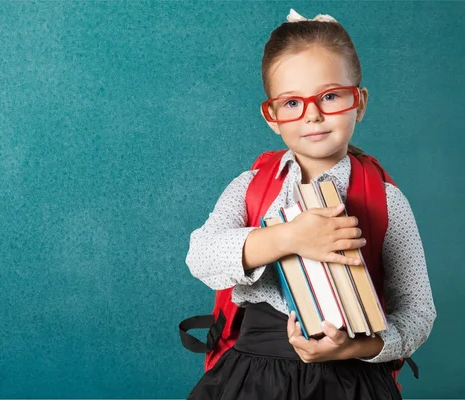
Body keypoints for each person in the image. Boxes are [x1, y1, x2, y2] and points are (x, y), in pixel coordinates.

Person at [185, 8, 436, 400]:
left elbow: (418, 311)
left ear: (360, 102)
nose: (313, 115)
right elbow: (200, 256)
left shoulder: (386, 201)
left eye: (331, 96)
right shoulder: (251, 186)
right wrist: (291, 237)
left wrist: (357, 347)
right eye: (291, 103)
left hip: (351, 379)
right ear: (272, 116)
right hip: (251, 376)